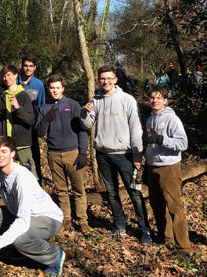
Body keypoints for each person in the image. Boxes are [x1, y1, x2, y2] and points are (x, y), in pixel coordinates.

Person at [80, 65, 152, 245]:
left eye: (109, 78)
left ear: (116, 80)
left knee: (134, 192)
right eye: (103, 78)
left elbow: (136, 128)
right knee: (111, 194)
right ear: (99, 80)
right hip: (103, 154)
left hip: (125, 154)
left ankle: (145, 230)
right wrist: (85, 112)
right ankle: (120, 225)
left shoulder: (127, 99)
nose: (106, 81)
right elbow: (87, 125)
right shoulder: (96, 99)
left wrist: (137, 153)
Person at [0, 136, 66, 276]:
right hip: (23, 215)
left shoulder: (22, 178)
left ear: (12, 153)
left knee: (20, 239)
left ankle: (55, 256)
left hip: (48, 219)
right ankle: (20, 249)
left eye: (4, 151)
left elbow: (23, 221)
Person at [36, 75, 90, 233]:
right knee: (61, 190)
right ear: (49, 89)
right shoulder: (45, 108)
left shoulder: (73, 105)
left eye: (57, 88)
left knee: (79, 189)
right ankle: (66, 218)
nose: (55, 91)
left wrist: (83, 152)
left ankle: (82, 220)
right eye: (52, 88)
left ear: (63, 89)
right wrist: (46, 119)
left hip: (72, 153)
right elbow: (40, 132)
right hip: (54, 154)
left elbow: (82, 129)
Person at [144, 85, 191, 254]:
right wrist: (146, 164)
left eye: (158, 98)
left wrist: (162, 139)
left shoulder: (172, 119)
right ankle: (166, 238)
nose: (154, 101)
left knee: (174, 206)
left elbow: (182, 144)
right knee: (157, 205)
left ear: (165, 100)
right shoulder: (149, 119)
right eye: (151, 98)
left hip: (169, 167)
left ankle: (183, 246)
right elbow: (150, 144)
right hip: (153, 166)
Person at [0, 65, 36, 177]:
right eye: (4, 76)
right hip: (6, 144)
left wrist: (18, 108)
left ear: (15, 75)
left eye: (9, 75)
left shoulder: (23, 96)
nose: (6, 78)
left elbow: (30, 120)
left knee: (27, 174)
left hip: (22, 144)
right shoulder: (1, 97)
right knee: (9, 175)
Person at [17, 56, 45, 181]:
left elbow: (41, 107)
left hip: (31, 127)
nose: (28, 69)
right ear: (22, 66)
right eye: (26, 65)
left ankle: (37, 182)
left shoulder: (38, 84)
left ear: (35, 67)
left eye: (31, 66)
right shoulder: (15, 81)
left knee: (34, 156)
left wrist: (38, 126)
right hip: (15, 125)